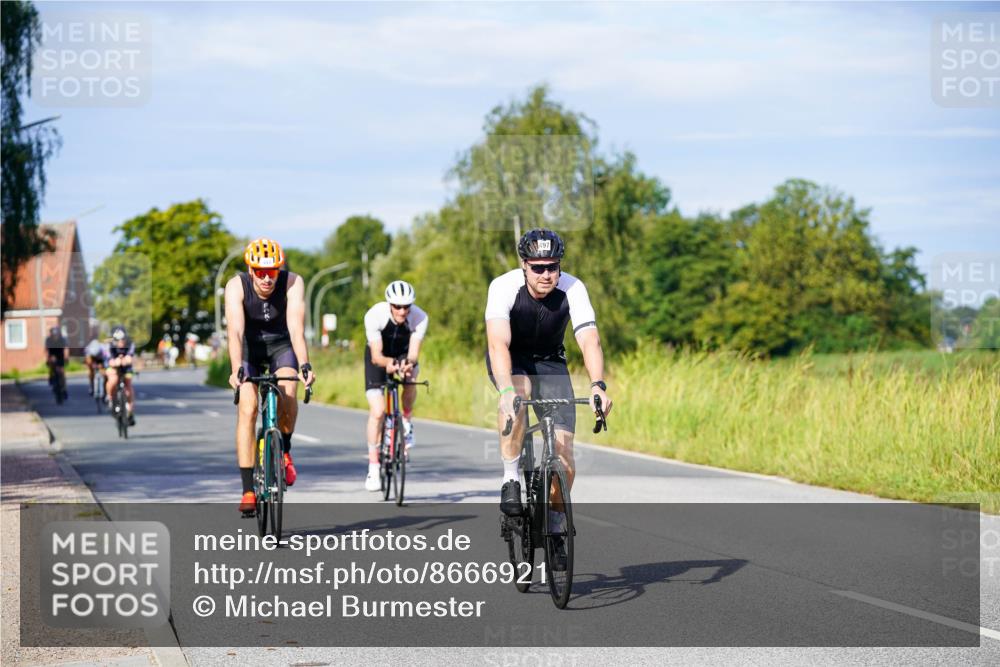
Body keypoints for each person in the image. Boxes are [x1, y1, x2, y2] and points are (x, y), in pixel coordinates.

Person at [485, 228, 613, 568]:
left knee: (565, 453)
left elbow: (589, 339)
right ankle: (511, 476)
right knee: (519, 393)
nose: (546, 275)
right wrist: (506, 391)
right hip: (511, 358)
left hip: (551, 362)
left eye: (552, 267)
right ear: (524, 266)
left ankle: (556, 525)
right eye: (538, 267)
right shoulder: (503, 286)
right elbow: (497, 342)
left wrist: (598, 385)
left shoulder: (573, 287)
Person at [225, 238, 314, 514]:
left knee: (288, 390)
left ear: (279, 269)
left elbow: (297, 329)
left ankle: (284, 450)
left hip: (280, 344)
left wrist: (305, 365)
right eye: (260, 272)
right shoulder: (235, 286)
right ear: (250, 270)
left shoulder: (293, 283)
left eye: (272, 272)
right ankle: (248, 489)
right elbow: (235, 332)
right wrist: (236, 368)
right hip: (250, 348)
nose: (266, 278)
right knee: (248, 409)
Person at [361, 280, 428, 491]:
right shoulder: (375, 315)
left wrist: (407, 365)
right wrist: (388, 365)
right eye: (397, 306)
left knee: (412, 374)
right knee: (378, 412)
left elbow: (414, 353)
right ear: (389, 304)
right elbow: (376, 355)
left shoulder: (420, 317)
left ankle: (406, 419)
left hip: (402, 353)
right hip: (378, 360)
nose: (402, 311)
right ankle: (373, 467)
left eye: (406, 306)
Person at [105, 325, 137, 425]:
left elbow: (130, 356)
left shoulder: (130, 343)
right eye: (118, 340)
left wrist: (127, 359)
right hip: (114, 365)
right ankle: (110, 397)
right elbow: (109, 359)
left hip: (126, 366)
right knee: (113, 380)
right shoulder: (110, 345)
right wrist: (114, 362)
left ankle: (130, 411)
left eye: (123, 340)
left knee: (128, 386)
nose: (121, 343)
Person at [45, 326, 69, 400]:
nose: (55, 336)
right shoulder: (48, 340)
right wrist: (48, 358)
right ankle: (51, 376)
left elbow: (66, 349)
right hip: (52, 355)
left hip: (60, 356)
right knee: (51, 365)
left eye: (56, 335)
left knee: (62, 371)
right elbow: (46, 350)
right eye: (53, 335)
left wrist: (66, 357)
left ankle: (64, 389)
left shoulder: (62, 340)